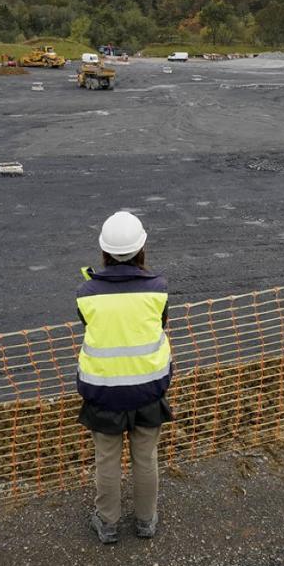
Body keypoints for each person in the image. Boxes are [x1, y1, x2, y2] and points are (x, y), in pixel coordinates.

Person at [75, 211, 172, 544]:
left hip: (104, 393)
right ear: (141, 248)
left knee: (107, 460)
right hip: (148, 390)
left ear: (104, 252)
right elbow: (159, 325)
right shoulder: (158, 289)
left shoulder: (86, 293)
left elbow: (90, 327)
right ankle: (146, 521)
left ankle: (108, 523)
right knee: (145, 458)